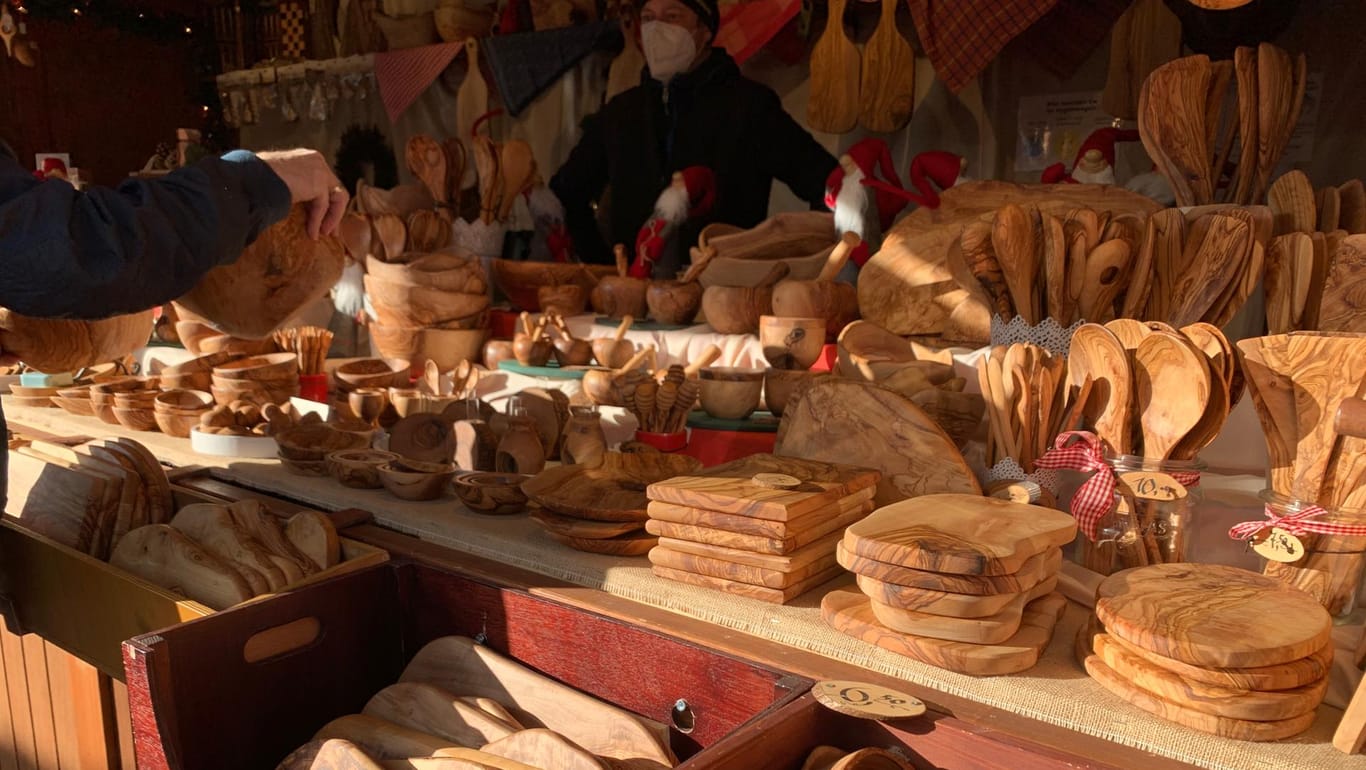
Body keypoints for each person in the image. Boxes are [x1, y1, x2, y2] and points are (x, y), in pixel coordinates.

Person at [550, 0, 837, 266]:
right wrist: (604, 266)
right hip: (634, 299)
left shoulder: (749, 106)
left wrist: (804, 266)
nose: (656, 29)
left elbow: (825, 182)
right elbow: (566, 193)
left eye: (672, 17)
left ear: (704, 30)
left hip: (723, 296)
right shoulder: (620, 113)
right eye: (648, 18)